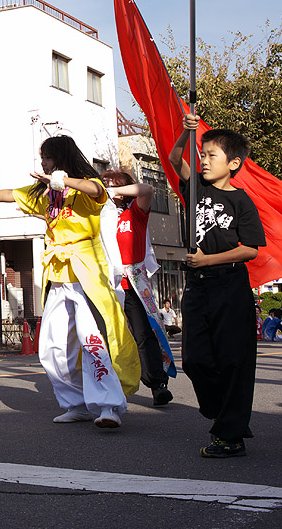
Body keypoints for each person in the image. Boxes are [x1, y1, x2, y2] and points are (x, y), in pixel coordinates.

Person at [0, 135, 140, 429]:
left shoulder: (84, 187)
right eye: (42, 157)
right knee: (52, 346)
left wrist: (65, 181)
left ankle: (108, 406)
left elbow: (97, 188)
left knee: (93, 340)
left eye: (48, 157)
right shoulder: (44, 193)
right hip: (57, 275)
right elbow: (10, 194)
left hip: (86, 273)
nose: (43, 163)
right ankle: (75, 404)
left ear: (62, 159)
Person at [168, 112, 266, 459]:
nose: (204, 161)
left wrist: (208, 259)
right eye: (203, 154)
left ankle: (231, 435)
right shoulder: (195, 189)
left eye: (211, 155)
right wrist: (185, 131)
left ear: (233, 163)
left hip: (230, 285)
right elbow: (173, 158)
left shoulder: (242, 201)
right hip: (197, 286)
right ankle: (223, 412)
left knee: (233, 360)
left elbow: (251, 248)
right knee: (194, 360)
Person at [102, 170, 175, 407]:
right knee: (110, 337)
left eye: (113, 185)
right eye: (104, 184)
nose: (107, 188)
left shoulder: (135, 213)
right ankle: (110, 387)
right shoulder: (98, 214)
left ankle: (157, 384)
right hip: (107, 284)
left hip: (133, 284)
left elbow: (146, 190)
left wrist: (114, 191)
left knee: (144, 333)